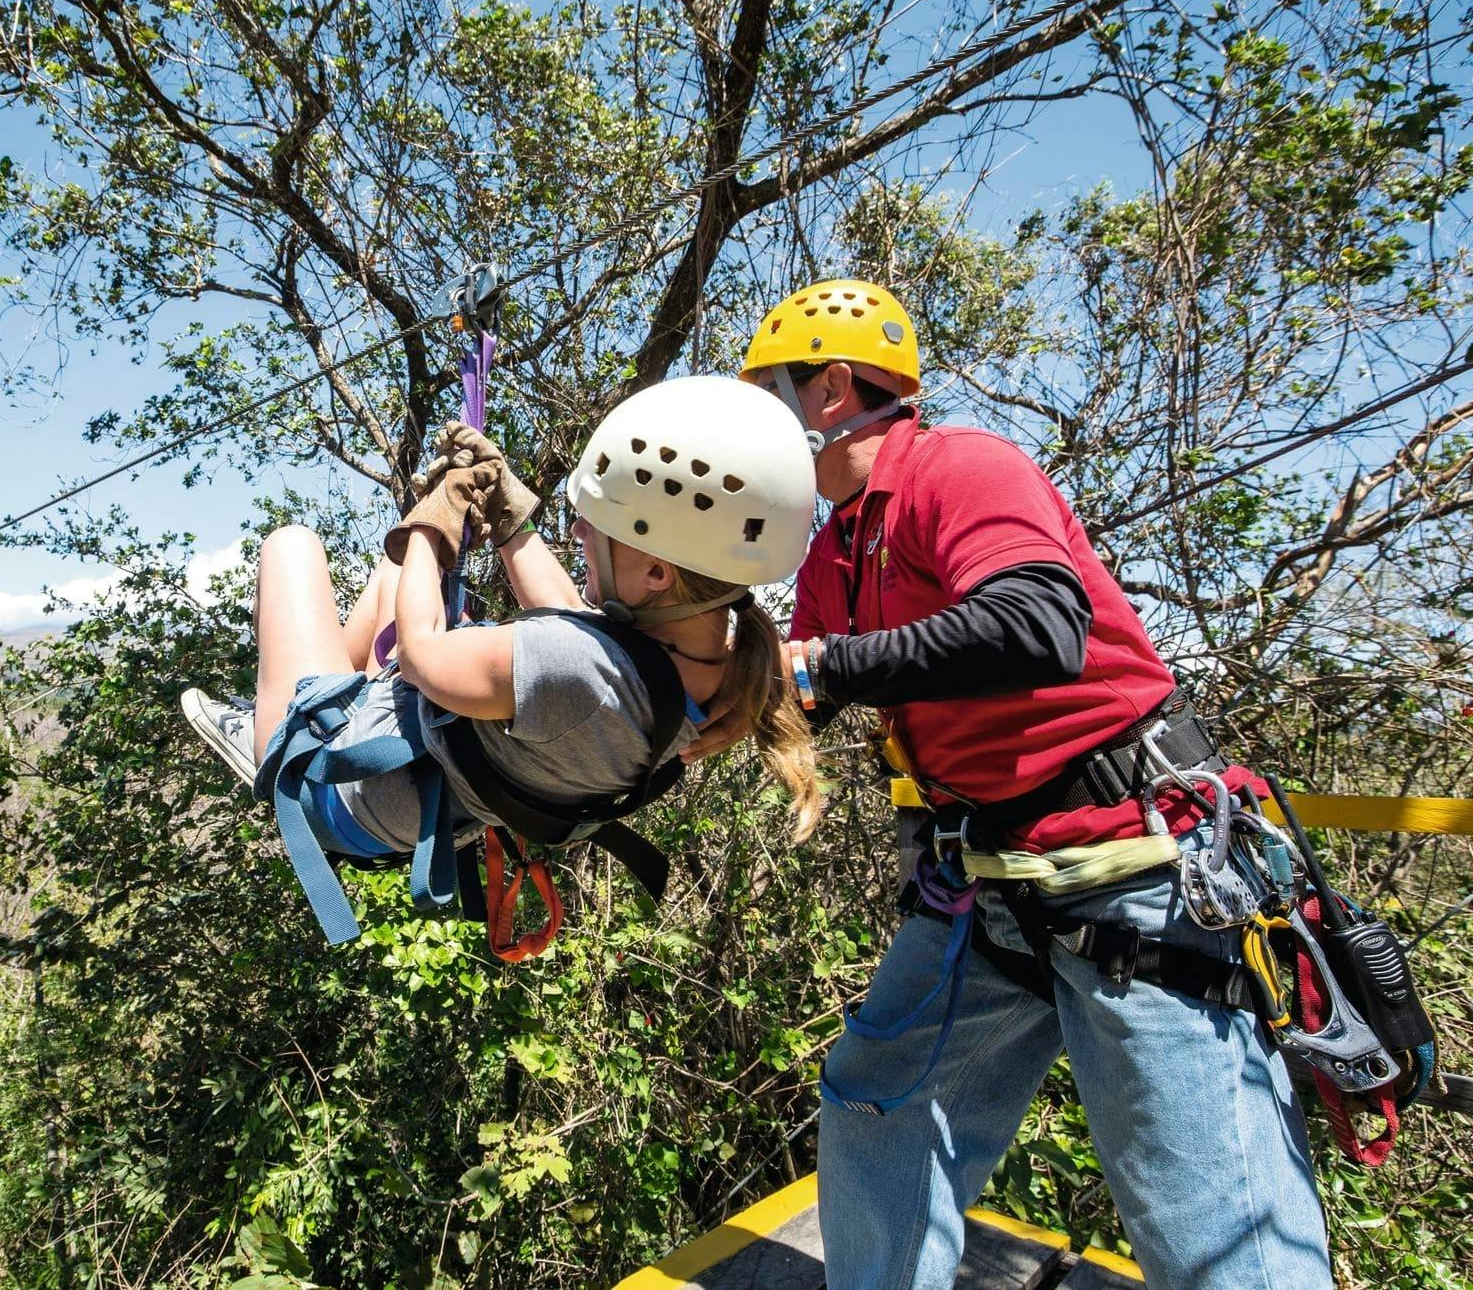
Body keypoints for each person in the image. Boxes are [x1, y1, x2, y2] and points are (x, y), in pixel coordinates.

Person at [708, 278, 1331, 1288]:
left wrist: (821, 666)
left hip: (1129, 868)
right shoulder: (836, 548)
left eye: (771, 393)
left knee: (1203, 1217)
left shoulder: (959, 468)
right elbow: (796, 693)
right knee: (876, 1100)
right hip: (987, 883)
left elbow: (1036, 625)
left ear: (829, 389)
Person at [182, 376, 823, 947]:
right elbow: (569, 614)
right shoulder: (725, 661)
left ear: (656, 570)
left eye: (595, 528)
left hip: (343, 795)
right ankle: (307, 699)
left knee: (291, 547)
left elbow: (420, 653)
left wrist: (431, 526)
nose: (577, 533)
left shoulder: (573, 670)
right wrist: (509, 520)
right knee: (389, 575)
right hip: (414, 782)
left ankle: (277, 733)